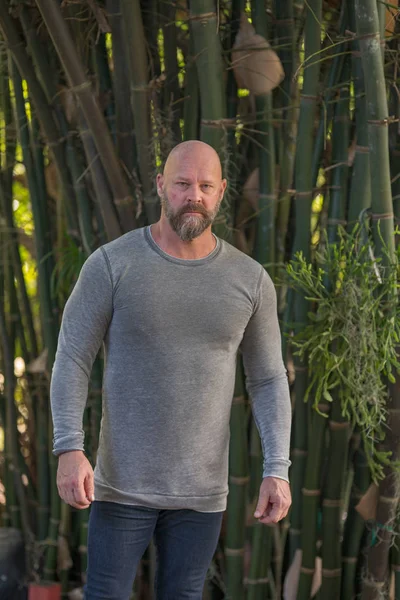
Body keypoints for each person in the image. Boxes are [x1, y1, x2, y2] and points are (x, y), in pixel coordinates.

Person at [50, 140, 292, 600]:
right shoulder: (112, 264)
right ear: (162, 186)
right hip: (121, 487)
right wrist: (69, 447)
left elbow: (268, 378)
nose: (193, 196)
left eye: (205, 186)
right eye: (182, 184)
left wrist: (277, 467)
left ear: (221, 191)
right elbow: (72, 357)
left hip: (201, 494)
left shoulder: (250, 279)